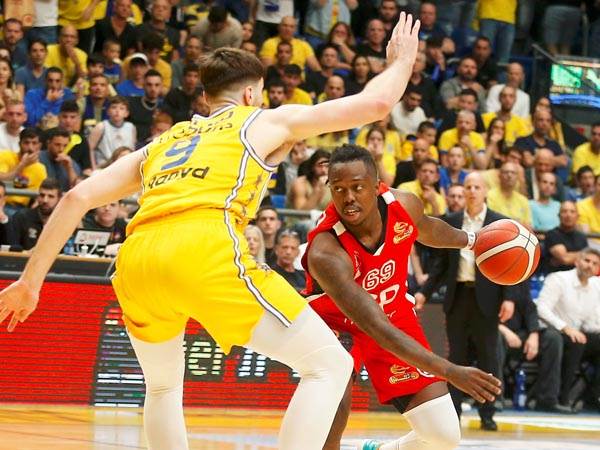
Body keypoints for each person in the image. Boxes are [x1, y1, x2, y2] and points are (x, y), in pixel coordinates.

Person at [0, 16, 440, 448]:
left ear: (207, 97)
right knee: (329, 365)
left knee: (162, 388)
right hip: (204, 246)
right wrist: (402, 62)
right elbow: (376, 105)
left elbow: (76, 197)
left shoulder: (166, 141)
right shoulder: (260, 121)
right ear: (251, 94)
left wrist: (30, 282)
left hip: (136, 259)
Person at [303, 146, 501, 450]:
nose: (348, 197)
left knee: (444, 436)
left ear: (376, 186)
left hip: (393, 315)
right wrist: (450, 370)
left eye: (357, 187)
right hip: (337, 328)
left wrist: (473, 240)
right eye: (338, 189)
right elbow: (375, 326)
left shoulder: (403, 204)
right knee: (332, 419)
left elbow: (428, 228)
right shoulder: (325, 250)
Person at [417, 172, 519, 431]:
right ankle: (454, 413)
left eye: (476, 187)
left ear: (485, 191)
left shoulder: (499, 223)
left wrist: (509, 298)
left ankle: (488, 413)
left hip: (488, 297)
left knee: (489, 356)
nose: (472, 191)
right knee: (456, 356)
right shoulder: (452, 221)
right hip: (458, 295)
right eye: (468, 187)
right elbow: (441, 265)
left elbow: (510, 264)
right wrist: (424, 292)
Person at [535, 248, 600, 412]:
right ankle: (555, 399)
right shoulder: (558, 279)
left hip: (576, 335)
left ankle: (594, 398)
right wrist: (565, 328)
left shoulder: (596, 286)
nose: (590, 266)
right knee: (572, 341)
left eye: (595, 264)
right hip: (550, 331)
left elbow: (591, 321)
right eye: (587, 261)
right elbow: (541, 309)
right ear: (577, 262)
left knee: (585, 341)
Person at [7, 177, 61, 250]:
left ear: (59, 199)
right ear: (37, 197)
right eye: (42, 195)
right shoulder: (21, 217)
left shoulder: (62, 222)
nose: (45, 200)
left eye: (51, 196)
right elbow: (12, 250)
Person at [88, 96, 136, 170]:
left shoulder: (131, 127)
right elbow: (90, 149)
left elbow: (132, 149)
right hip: (105, 166)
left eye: (121, 108)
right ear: (108, 111)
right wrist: (93, 168)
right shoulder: (101, 127)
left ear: (126, 113)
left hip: (125, 166)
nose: (117, 111)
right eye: (114, 107)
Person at [544, 201, 589, 274]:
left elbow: (587, 259)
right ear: (559, 215)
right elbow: (565, 259)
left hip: (578, 276)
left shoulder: (582, 236)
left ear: (577, 216)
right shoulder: (552, 234)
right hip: (556, 276)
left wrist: (568, 256)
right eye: (564, 211)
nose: (568, 215)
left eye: (572, 212)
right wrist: (582, 255)